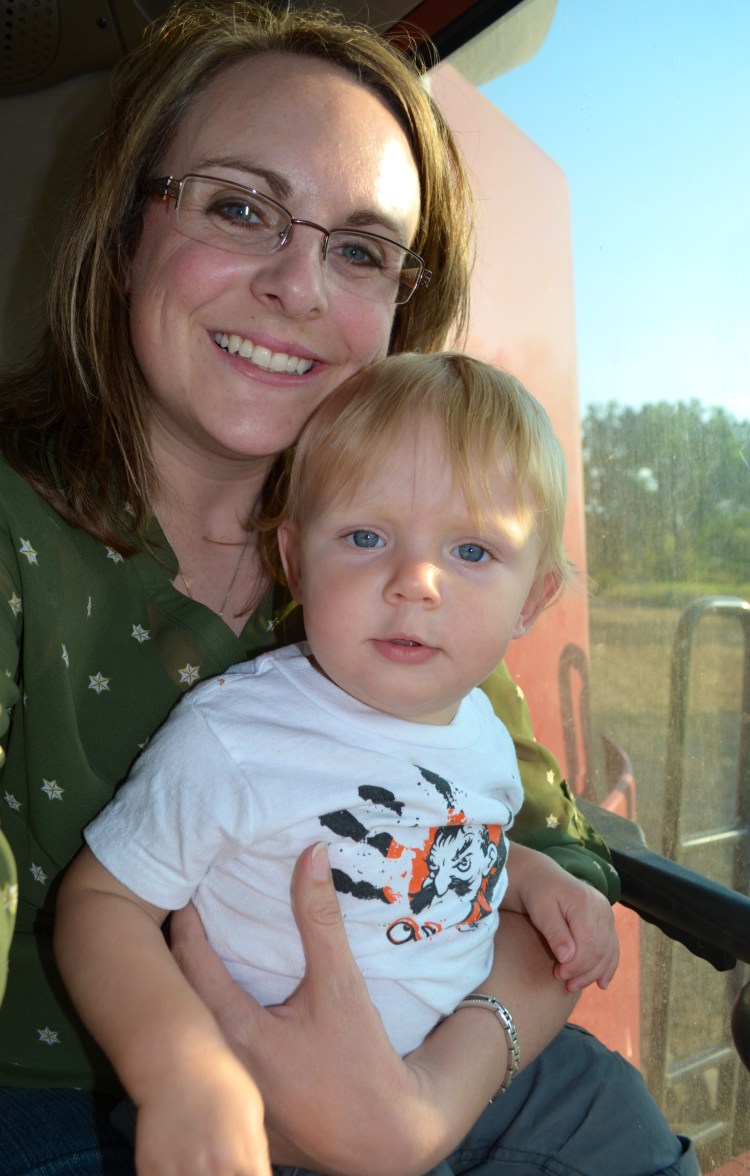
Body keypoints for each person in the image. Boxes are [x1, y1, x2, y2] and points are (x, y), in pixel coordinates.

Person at [0, 1, 697, 1173]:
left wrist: (417, 1107)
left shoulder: (415, 587)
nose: (298, 284)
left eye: (362, 249)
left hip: (446, 1070)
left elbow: (537, 848)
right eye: (238, 206)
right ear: (124, 231)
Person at [55, 352, 621, 1173]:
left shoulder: (483, 733)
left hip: (456, 1092)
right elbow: (102, 902)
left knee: (621, 1116)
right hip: (262, 1120)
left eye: (471, 552)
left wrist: (533, 881)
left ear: (533, 599)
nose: (414, 582)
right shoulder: (237, 736)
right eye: (365, 536)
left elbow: (453, 844)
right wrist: (181, 1074)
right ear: (295, 559)